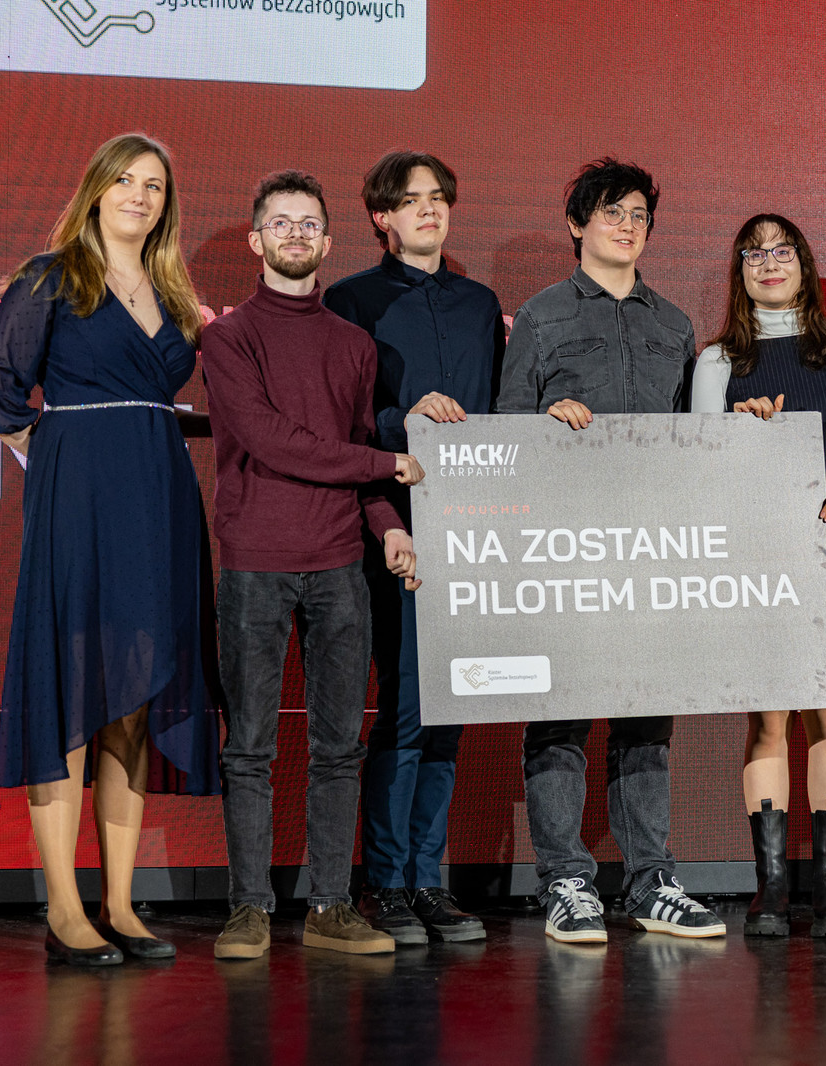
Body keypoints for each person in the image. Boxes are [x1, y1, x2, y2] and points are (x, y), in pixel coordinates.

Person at [0, 132, 221, 965]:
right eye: (125, 181)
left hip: (160, 501)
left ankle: (119, 902)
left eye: (155, 185)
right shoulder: (52, 277)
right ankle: (65, 908)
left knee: (134, 703)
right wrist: (53, 458)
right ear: (96, 190)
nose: (139, 196)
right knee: (71, 693)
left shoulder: (173, 292)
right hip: (79, 504)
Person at [495, 157, 725, 944]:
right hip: (564, 546)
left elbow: (697, 438)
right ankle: (565, 882)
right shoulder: (540, 316)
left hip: (652, 549)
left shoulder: (674, 326)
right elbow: (506, 429)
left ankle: (652, 883)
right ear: (577, 224)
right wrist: (544, 422)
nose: (627, 226)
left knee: (646, 720)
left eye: (638, 216)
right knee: (559, 717)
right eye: (611, 213)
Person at [201, 169, 425, 959]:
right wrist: (385, 465)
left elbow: (352, 453)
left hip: (339, 566)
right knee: (249, 749)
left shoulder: (354, 345)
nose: (295, 234)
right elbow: (272, 441)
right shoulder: (228, 339)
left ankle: (331, 906)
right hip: (256, 564)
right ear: (255, 239)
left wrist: (388, 527)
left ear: (328, 243)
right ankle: (248, 909)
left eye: (308, 224)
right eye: (280, 222)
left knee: (339, 748)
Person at [691, 213, 826, 938]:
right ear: (740, 271)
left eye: (782, 251)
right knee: (767, 727)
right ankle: (771, 890)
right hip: (758, 560)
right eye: (754, 253)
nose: (769, 262)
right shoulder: (717, 361)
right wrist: (738, 435)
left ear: (803, 265)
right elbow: (699, 463)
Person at [324, 150, 504, 945]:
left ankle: (429, 880)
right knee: (405, 704)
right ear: (382, 217)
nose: (429, 209)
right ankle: (386, 883)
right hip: (392, 524)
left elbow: (500, 411)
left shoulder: (480, 304)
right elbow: (344, 420)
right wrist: (407, 417)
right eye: (410, 199)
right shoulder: (350, 301)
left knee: (451, 706)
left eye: (438, 197)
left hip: (477, 525)